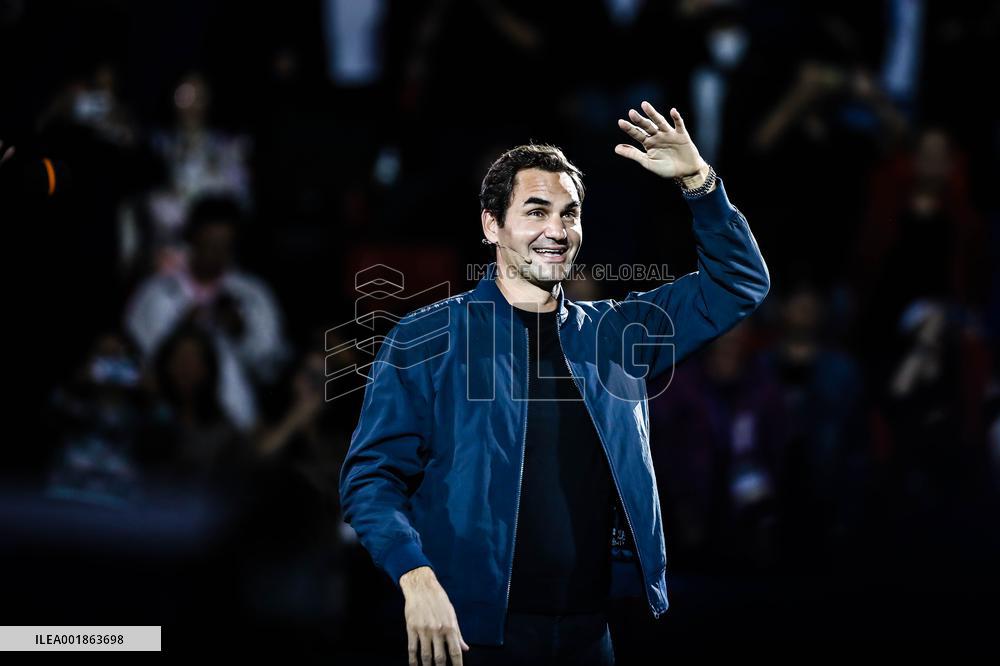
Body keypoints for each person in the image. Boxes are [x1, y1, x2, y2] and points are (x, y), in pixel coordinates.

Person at [339, 101, 770, 665]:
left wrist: (699, 182)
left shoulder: (619, 334)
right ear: (491, 224)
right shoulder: (428, 339)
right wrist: (414, 576)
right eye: (536, 211)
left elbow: (739, 283)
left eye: (569, 214)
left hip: (591, 636)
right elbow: (370, 479)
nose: (556, 230)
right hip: (473, 638)